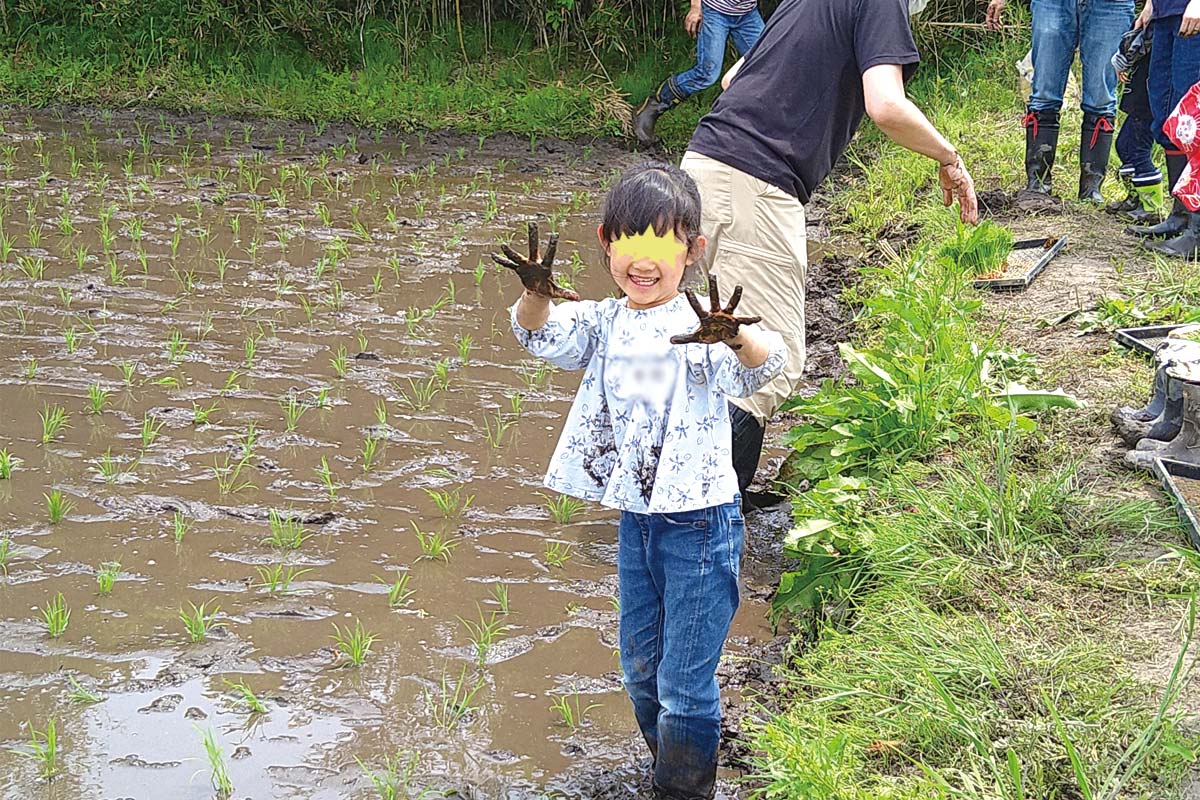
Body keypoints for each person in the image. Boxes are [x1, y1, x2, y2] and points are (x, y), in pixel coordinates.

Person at [496, 163, 786, 800]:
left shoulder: (705, 326)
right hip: (637, 523)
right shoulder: (603, 323)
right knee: (641, 673)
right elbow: (536, 333)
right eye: (630, 243)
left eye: (662, 243)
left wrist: (734, 337)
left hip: (703, 528)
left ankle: (684, 787)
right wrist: (537, 292)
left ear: (693, 249)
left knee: (684, 685)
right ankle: (673, 770)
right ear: (606, 243)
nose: (644, 260)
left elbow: (768, 364)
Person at [679, 0, 978, 498]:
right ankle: (705, 517)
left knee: (712, 343)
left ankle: (673, 500)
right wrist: (949, 156)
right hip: (756, 181)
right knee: (769, 362)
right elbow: (886, 105)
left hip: (704, 165)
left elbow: (734, 79)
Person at [987, 0, 1134, 201]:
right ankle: (1037, 185)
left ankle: (1091, 190)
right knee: (1044, 95)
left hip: (1111, 5)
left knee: (1101, 99)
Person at [631, 0, 765, 147]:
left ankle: (754, 131)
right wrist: (696, 7)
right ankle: (652, 107)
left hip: (747, 14)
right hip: (715, 11)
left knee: (767, 65)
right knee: (707, 73)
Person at [1128, 0, 1200, 257]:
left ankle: (1198, 229)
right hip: (1166, 13)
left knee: (1194, 120)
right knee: (1169, 116)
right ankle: (1181, 215)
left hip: (1194, 12)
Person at [1109, 26, 1165, 222]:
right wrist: (1124, 57)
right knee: (1123, 146)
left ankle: (1152, 207)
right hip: (1137, 91)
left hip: (1149, 100)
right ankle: (1135, 197)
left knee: (1138, 150)